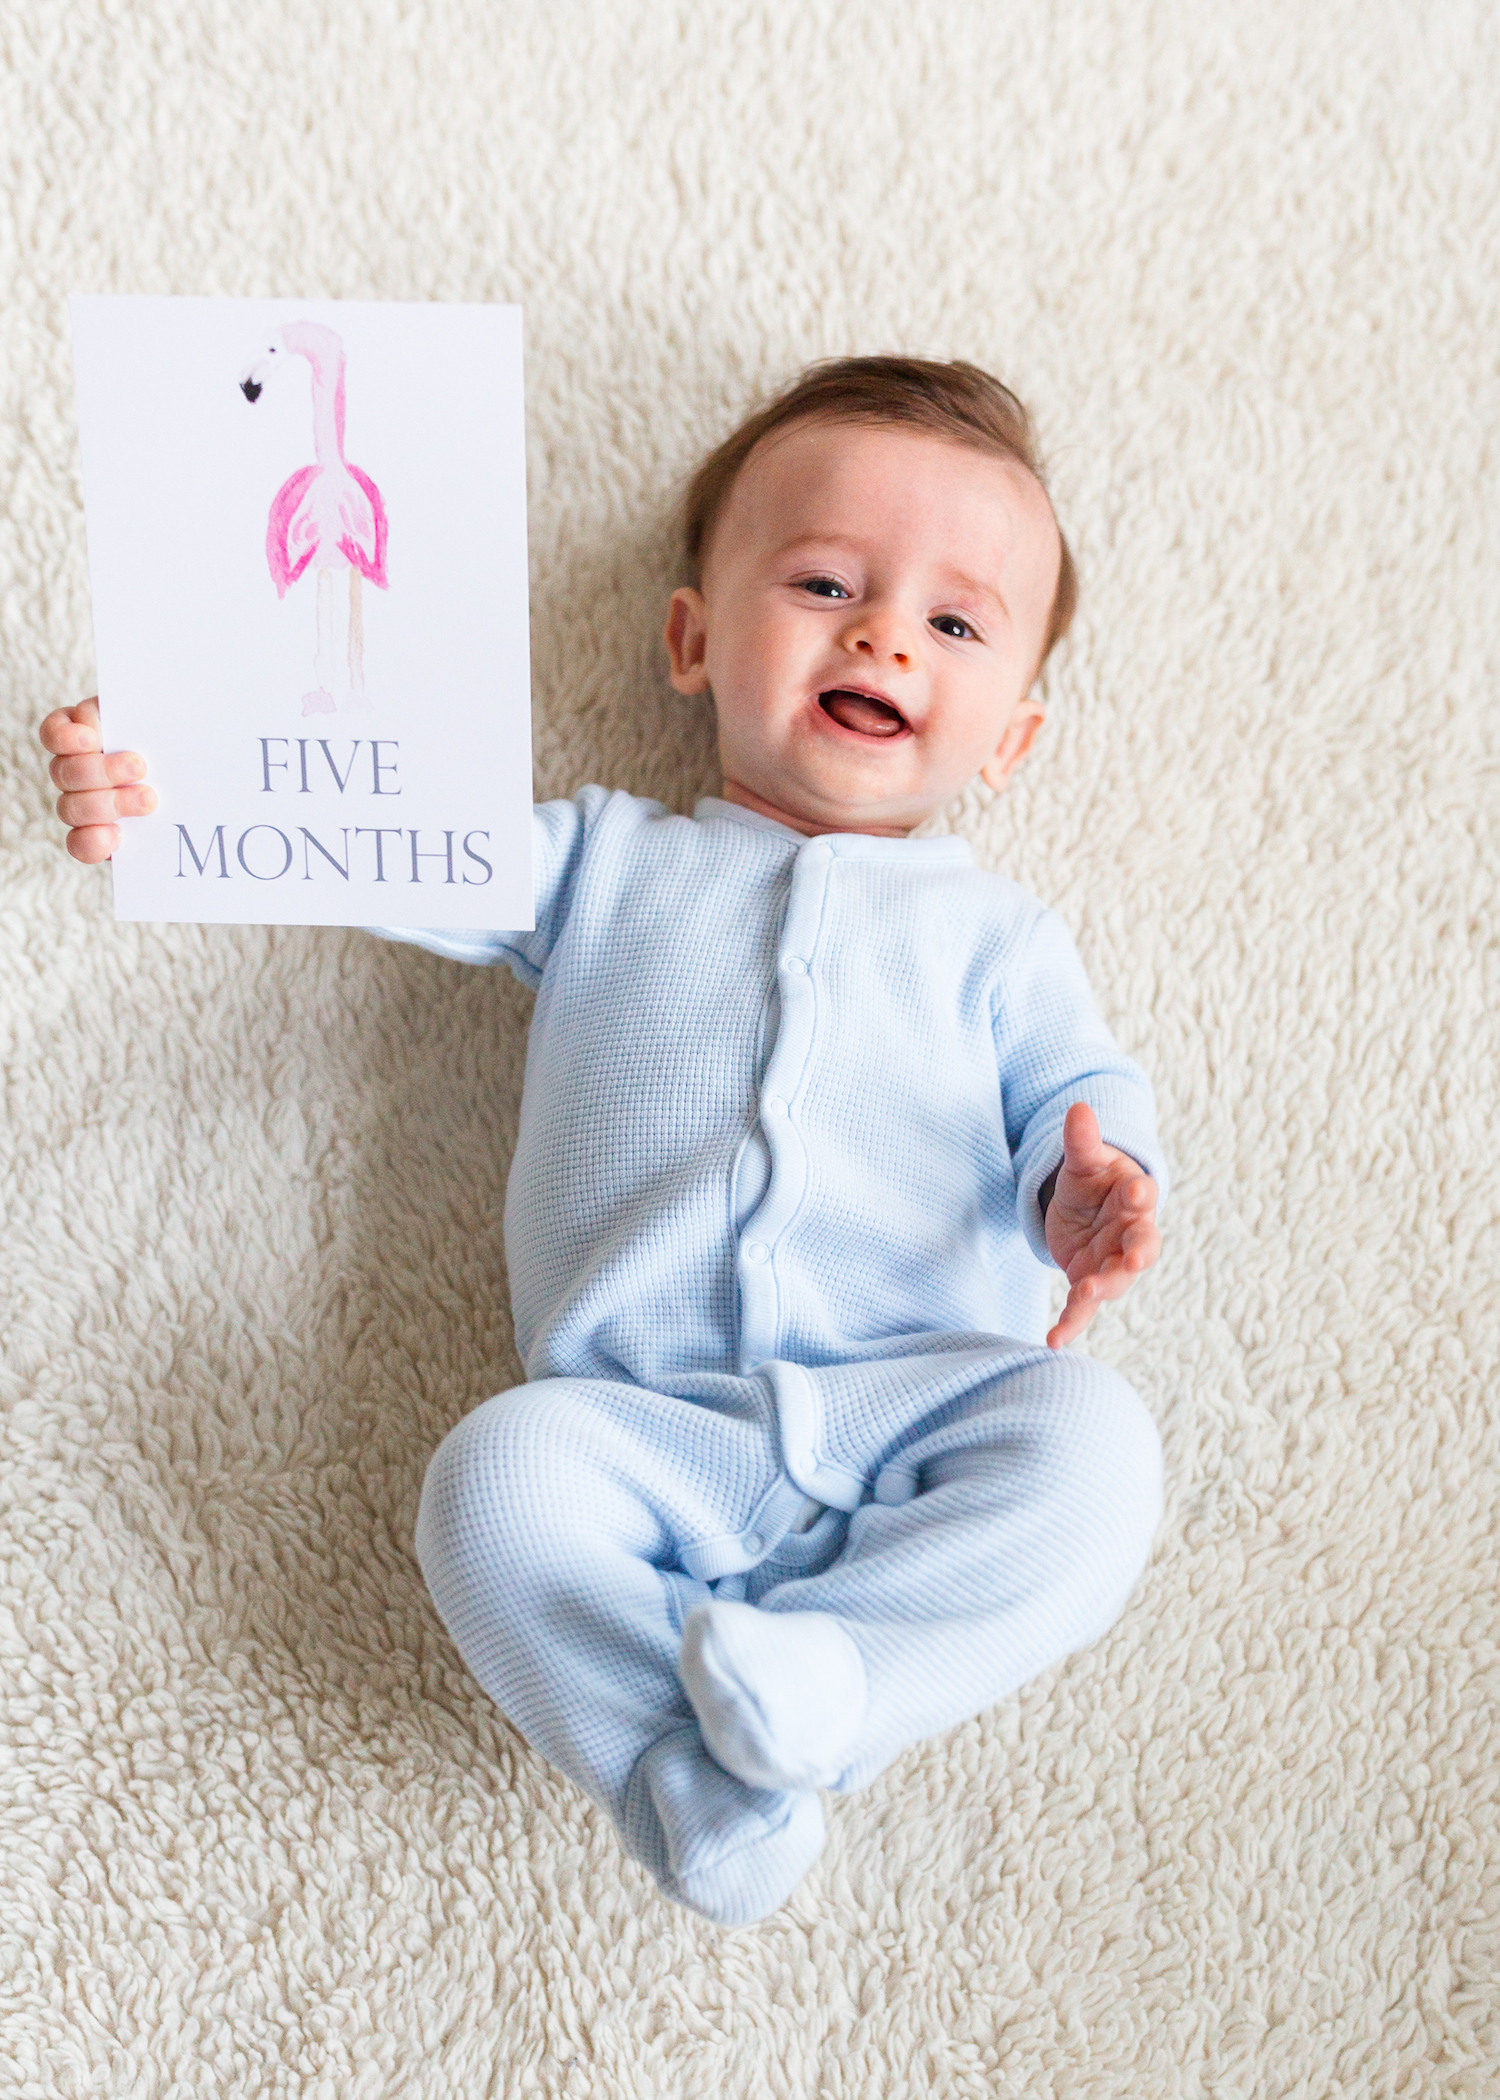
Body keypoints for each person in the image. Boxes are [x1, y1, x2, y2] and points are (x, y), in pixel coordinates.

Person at [41, 356, 1166, 1926]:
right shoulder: (602, 862)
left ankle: (845, 1680)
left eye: (956, 625)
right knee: (487, 1483)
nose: (884, 637)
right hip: (636, 1433)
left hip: (916, 1405)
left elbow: (1076, 1093)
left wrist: (1092, 1187)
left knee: (1097, 1452)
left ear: (1011, 738)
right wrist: (176, 778)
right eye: (825, 584)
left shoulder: (998, 938)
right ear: (692, 642)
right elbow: (378, 836)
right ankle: (690, 1784)